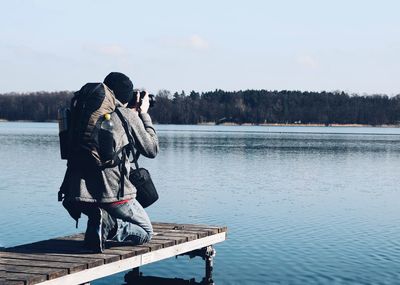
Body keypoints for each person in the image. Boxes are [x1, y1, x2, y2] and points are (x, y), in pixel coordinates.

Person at [61, 72, 159, 252]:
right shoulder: (125, 115)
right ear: (127, 95)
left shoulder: (80, 112)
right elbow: (152, 149)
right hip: (112, 195)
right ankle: (111, 227)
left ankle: (99, 219)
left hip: (77, 193)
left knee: (101, 210)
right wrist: (143, 115)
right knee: (146, 232)